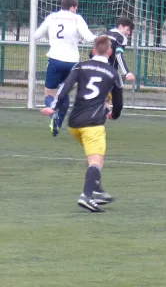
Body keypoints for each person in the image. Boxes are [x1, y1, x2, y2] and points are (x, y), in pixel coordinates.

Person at [40, 35, 124, 213]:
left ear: (93, 50)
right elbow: (119, 102)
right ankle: (86, 196)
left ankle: (98, 191)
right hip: (93, 125)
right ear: (110, 52)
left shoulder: (81, 66)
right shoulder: (113, 73)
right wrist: (113, 115)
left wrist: (53, 107)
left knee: (91, 157)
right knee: (96, 161)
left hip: (74, 124)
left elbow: (65, 87)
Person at [33, 0, 96, 137]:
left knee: (49, 93)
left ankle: (53, 115)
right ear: (72, 7)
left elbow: (36, 35)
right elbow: (88, 37)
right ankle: (57, 125)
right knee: (64, 93)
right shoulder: (76, 18)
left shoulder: (51, 17)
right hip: (72, 62)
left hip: (55, 60)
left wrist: (51, 38)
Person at [104, 16, 136, 82]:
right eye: (127, 29)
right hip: (109, 70)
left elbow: (91, 54)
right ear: (121, 26)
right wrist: (126, 73)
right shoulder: (121, 38)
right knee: (116, 89)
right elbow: (118, 54)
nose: (129, 33)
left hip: (94, 68)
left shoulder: (103, 35)